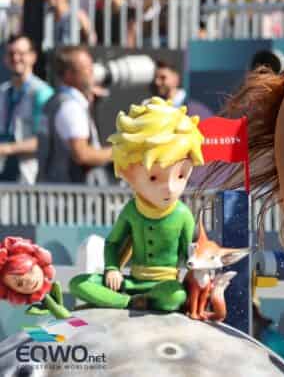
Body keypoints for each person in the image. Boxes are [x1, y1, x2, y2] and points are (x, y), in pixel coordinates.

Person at [69, 97, 201, 312]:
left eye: (180, 176)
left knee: (175, 296)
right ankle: (129, 303)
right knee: (79, 284)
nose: (169, 187)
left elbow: (190, 255)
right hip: (130, 282)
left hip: (165, 285)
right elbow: (113, 243)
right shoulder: (132, 210)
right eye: (153, 178)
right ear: (128, 173)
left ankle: (143, 300)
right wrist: (112, 269)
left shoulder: (183, 214)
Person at [36, 46, 112, 184]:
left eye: (91, 66)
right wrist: (118, 153)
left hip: (52, 190)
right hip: (69, 198)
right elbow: (81, 154)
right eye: (86, 68)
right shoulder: (71, 107)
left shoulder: (56, 101)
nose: (92, 72)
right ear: (68, 75)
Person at [0, 35, 53, 184]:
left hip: (28, 176)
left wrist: (7, 148)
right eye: (11, 54)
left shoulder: (42, 93)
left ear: (32, 57)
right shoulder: (3, 93)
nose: (16, 58)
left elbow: (45, 140)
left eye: (21, 54)